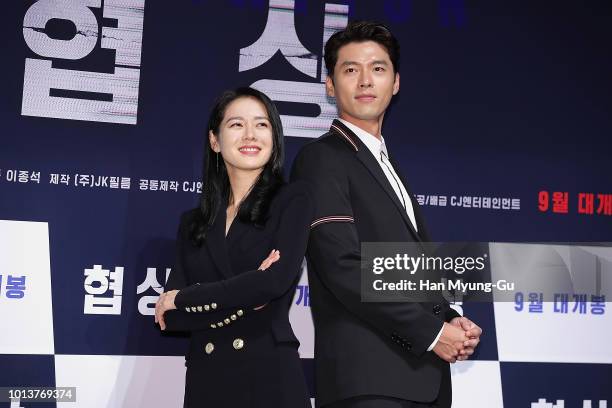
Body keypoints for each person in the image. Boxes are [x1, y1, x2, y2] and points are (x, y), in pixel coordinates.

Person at [290, 21, 482, 408]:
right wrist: (432, 332)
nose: (365, 81)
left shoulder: (384, 163)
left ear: (395, 83)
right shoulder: (321, 158)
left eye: (378, 68)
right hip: (369, 383)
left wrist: (448, 317)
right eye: (350, 70)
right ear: (330, 85)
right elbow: (343, 266)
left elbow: (404, 269)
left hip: (419, 380)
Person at [155, 87, 312, 408]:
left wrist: (187, 297)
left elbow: (272, 283)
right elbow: (170, 319)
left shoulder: (292, 200)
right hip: (207, 376)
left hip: (268, 373)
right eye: (237, 124)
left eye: (262, 124)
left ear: (275, 137)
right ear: (215, 140)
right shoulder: (193, 222)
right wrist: (246, 293)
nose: (251, 134)